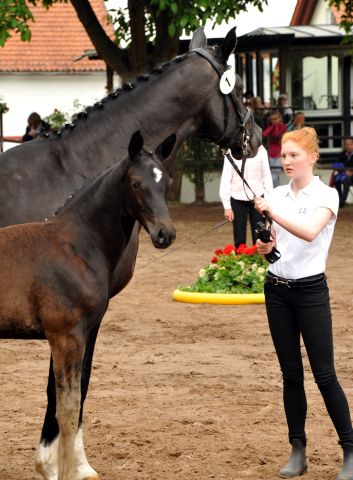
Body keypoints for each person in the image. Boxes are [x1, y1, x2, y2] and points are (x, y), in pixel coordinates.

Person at [254, 127, 353, 480]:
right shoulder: (276, 194)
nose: (287, 161)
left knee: (325, 375)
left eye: (294, 155)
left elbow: (310, 231)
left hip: (311, 293)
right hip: (276, 291)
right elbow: (274, 246)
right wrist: (266, 247)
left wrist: (272, 212)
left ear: (312, 157)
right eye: (283, 156)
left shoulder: (327, 195)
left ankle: (350, 450)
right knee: (291, 375)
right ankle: (298, 450)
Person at [219, 145, 273, 248]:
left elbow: (266, 177)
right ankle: (240, 258)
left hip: (258, 197)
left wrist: (268, 202)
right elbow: (226, 178)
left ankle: (259, 259)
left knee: (260, 233)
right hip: (237, 197)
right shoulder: (231, 151)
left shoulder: (261, 151)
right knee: (239, 234)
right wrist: (227, 206)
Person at [262, 111, 287, 188]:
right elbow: (264, 134)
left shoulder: (283, 126)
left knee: (275, 174)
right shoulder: (271, 127)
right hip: (271, 153)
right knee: (274, 173)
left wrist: (275, 126)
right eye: (272, 119)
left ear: (279, 118)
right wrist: (273, 126)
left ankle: (273, 190)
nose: (274, 121)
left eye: (275, 119)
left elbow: (277, 135)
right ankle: (277, 190)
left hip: (279, 153)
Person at [333, 138, 353, 207]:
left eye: (350, 144)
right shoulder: (342, 154)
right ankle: (340, 196)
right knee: (335, 177)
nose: (349, 146)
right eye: (347, 144)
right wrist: (342, 172)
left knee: (346, 179)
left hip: (352, 175)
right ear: (345, 145)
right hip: (343, 174)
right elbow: (338, 164)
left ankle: (343, 198)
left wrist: (352, 172)